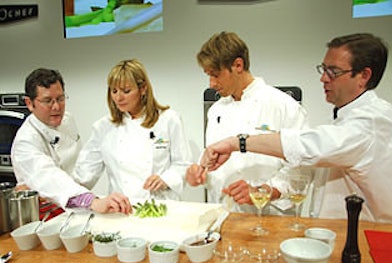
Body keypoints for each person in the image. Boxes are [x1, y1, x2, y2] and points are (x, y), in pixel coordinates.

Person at [201, 33, 392, 223]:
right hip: (231, 212)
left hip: (368, 234)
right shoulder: (347, 117)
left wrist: (239, 143)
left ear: (364, 75)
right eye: (323, 69)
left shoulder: (372, 120)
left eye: (333, 71)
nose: (323, 78)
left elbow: (308, 148)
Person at [185, 31, 309, 213]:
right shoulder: (216, 111)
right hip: (222, 215)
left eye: (216, 75)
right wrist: (199, 171)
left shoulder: (282, 105)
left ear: (238, 65)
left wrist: (268, 190)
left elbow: (302, 164)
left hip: (269, 216)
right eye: (208, 75)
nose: (211, 84)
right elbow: (212, 160)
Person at [11, 68, 132, 214]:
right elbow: (49, 178)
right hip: (43, 212)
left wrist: (90, 198)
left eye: (61, 99)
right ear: (29, 103)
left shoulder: (67, 120)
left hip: (74, 202)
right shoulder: (26, 142)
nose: (56, 107)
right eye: (48, 101)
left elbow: (83, 164)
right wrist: (91, 201)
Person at [73, 59, 192, 202]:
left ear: (143, 89)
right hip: (121, 207)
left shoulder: (169, 119)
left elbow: (184, 164)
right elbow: (86, 172)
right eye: (114, 91)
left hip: (160, 204)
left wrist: (165, 179)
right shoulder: (103, 127)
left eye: (126, 91)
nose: (118, 97)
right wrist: (63, 192)